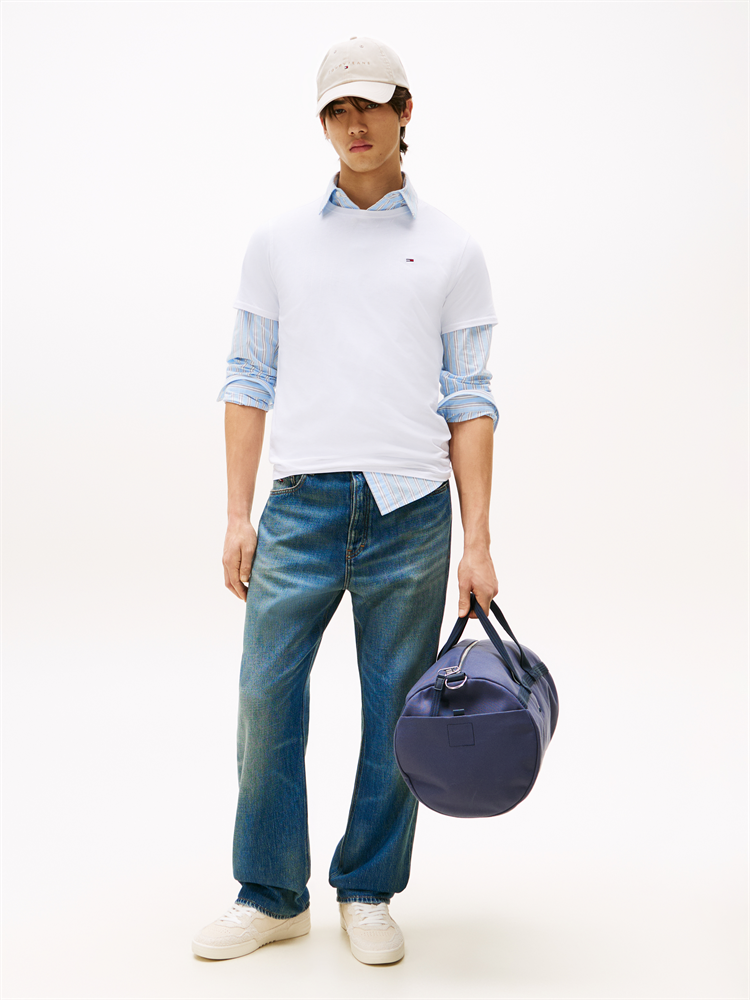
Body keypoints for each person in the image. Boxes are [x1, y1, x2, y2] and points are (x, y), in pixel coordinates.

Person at [192, 35, 499, 966]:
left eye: (369, 105)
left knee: (397, 711)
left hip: (412, 510)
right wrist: (238, 514)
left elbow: (470, 399)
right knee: (265, 700)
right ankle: (270, 895)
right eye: (336, 109)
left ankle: (367, 890)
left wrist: (478, 540)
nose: (353, 123)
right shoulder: (278, 243)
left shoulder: (452, 249)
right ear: (322, 122)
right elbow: (248, 378)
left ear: (406, 110)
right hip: (300, 504)